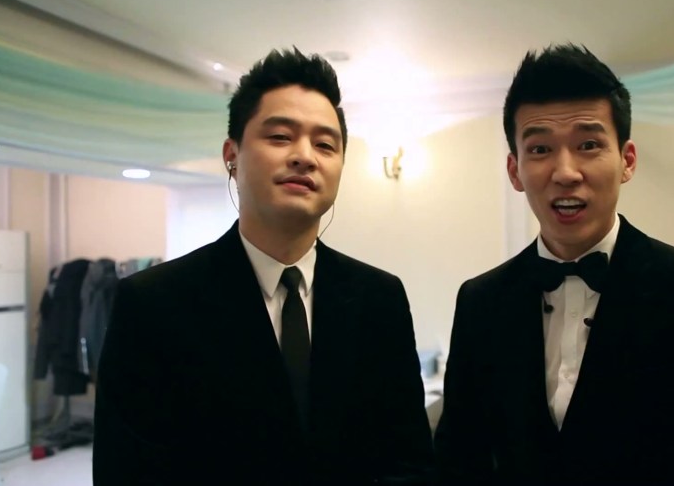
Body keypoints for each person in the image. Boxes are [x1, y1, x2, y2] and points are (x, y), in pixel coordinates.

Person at [434, 43, 674, 485]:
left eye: (588, 144)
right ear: (515, 171)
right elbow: (460, 458)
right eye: (539, 149)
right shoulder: (480, 301)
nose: (565, 172)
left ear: (626, 161)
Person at [94, 48, 433, 485]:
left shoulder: (379, 297)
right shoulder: (153, 303)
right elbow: (126, 472)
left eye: (325, 144)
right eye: (280, 137)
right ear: (231, 155)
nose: (305, 156)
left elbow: (410, 460)